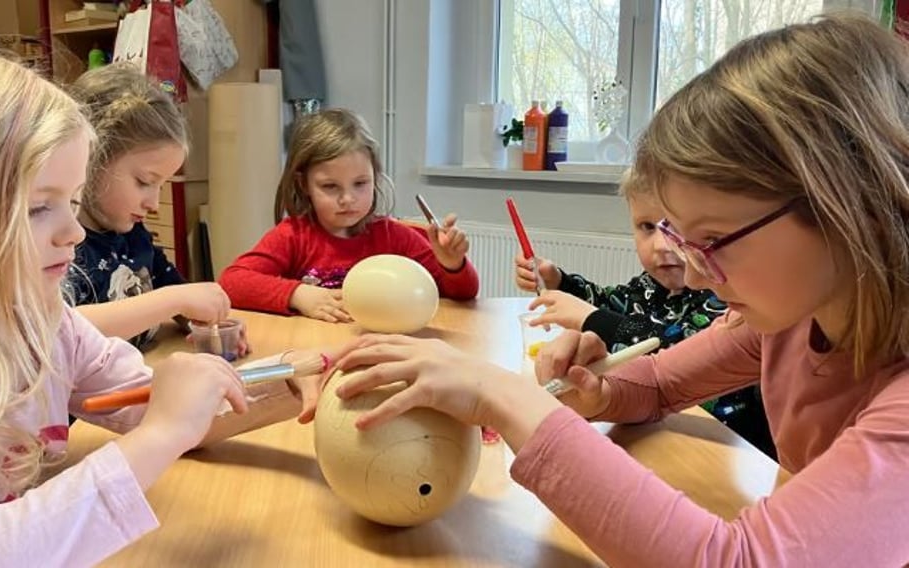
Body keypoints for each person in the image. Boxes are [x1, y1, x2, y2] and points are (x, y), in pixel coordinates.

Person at [329, 15, 909, 566]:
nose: (697, 272)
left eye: (714, 238)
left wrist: (502, 396)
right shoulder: (790, 319)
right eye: (684, 237)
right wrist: (599, 393)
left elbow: (736, 560)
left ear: (851, 207)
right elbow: (657, 383)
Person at [0, 39, 320, 566]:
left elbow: (162, 408)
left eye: (71, 202)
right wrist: (161, 434)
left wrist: (283, 382)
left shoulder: (45, 323)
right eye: (39, 208)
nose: (73, 231)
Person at [516, 169, 773, 457]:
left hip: (725, 449)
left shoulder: (729, 299)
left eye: (675, 229)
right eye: (648, 227)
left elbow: (676, 353)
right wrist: (561, 282)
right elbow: (612, 307)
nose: (663, 245)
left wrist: (593, 319)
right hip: (659, 437)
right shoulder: (649, 286)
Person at [219, 108, 479, 322]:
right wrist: (298, 294)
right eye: (330, 186)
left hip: (382, 350)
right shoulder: (293, 236)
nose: (347, 199)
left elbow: (463, 294)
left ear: (375, 176)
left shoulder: (395, 237)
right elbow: (232, 282)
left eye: (360, 183)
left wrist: (452, 265)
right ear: (303, 185)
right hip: (314, 350)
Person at [66, 63, 246, 355]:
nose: (153, 203)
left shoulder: (133, 234)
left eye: (162, 185)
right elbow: (61, 329)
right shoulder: (63, 243)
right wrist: (171, 300)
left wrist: (206, 322)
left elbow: (177, 293)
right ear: (90, 160)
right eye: (144, 182)